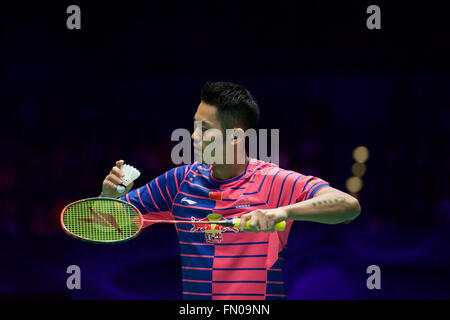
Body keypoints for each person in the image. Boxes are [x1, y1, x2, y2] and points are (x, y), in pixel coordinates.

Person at [100, 81, 361, 300]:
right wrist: (109, 200)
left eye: (205, 129)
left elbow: (348, 205)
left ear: (235, 136)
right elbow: (107, 226)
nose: (193, 137)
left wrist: (280, 213)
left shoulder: (272, 181)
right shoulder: (180, 181)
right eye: (194, 127)